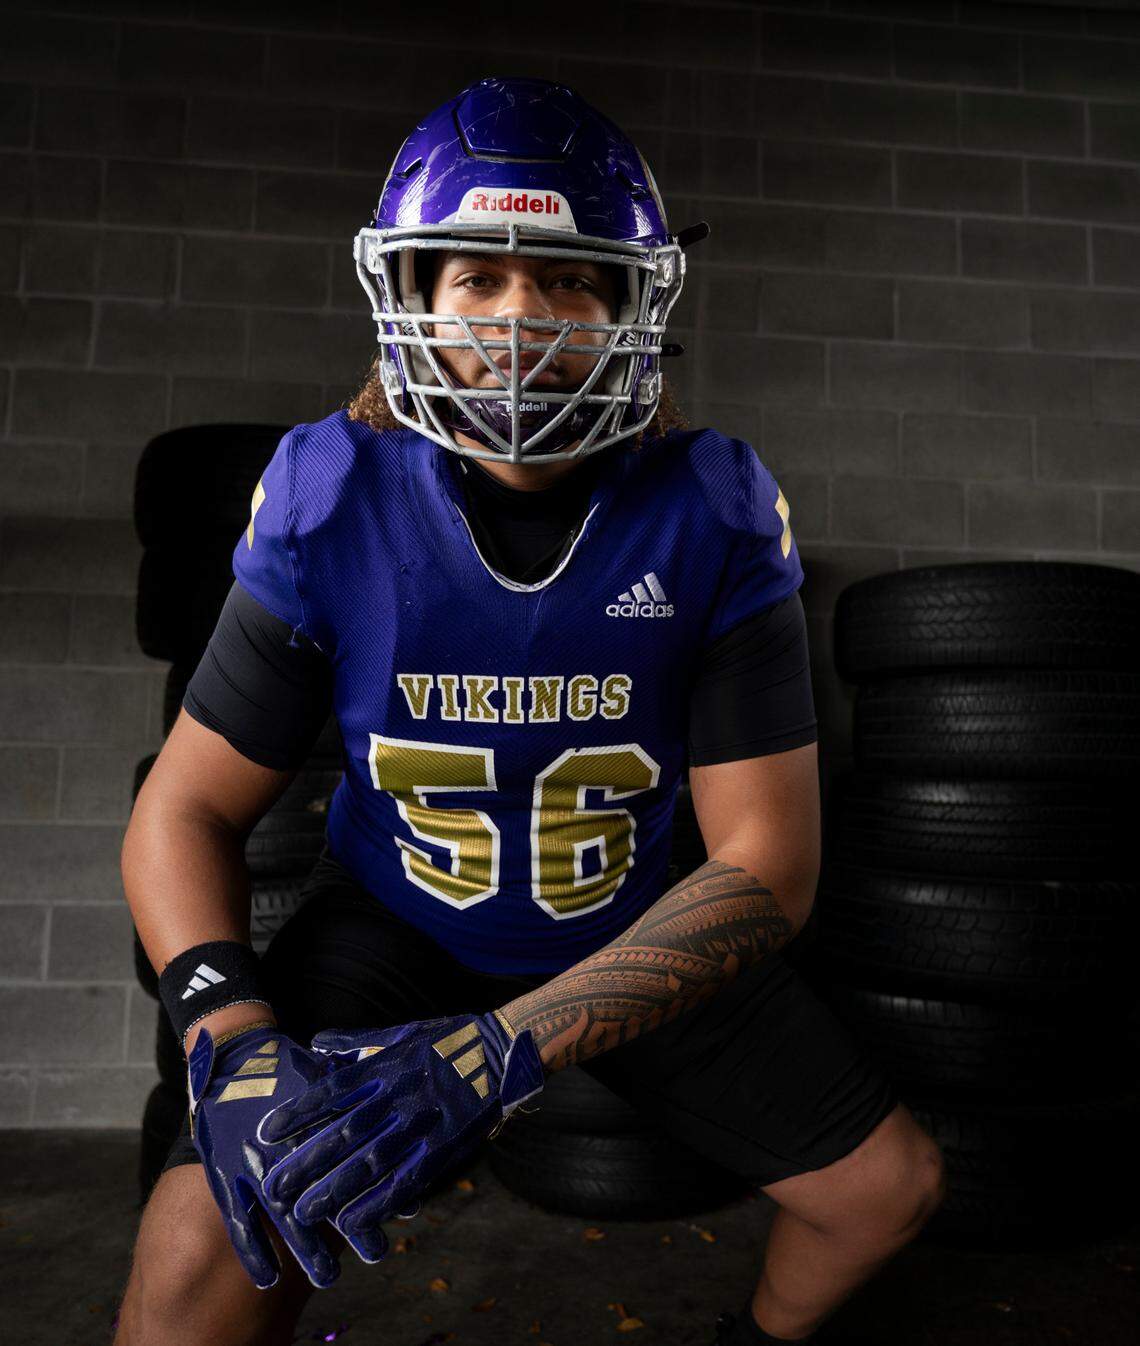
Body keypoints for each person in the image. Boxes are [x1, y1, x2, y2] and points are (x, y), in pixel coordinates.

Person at [114, 76, 946, 1346]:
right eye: (481, 281)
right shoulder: (331, 499)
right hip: (400, 919)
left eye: (568, 280)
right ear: (414, 302)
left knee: (885, 1191)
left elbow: (769, 867)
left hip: (622, 925)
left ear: (632, 303)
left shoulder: (709, 510)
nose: (522, 320)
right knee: (197, 1245)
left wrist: (495, 1054)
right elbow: (183, 807)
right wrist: (228, 1039)